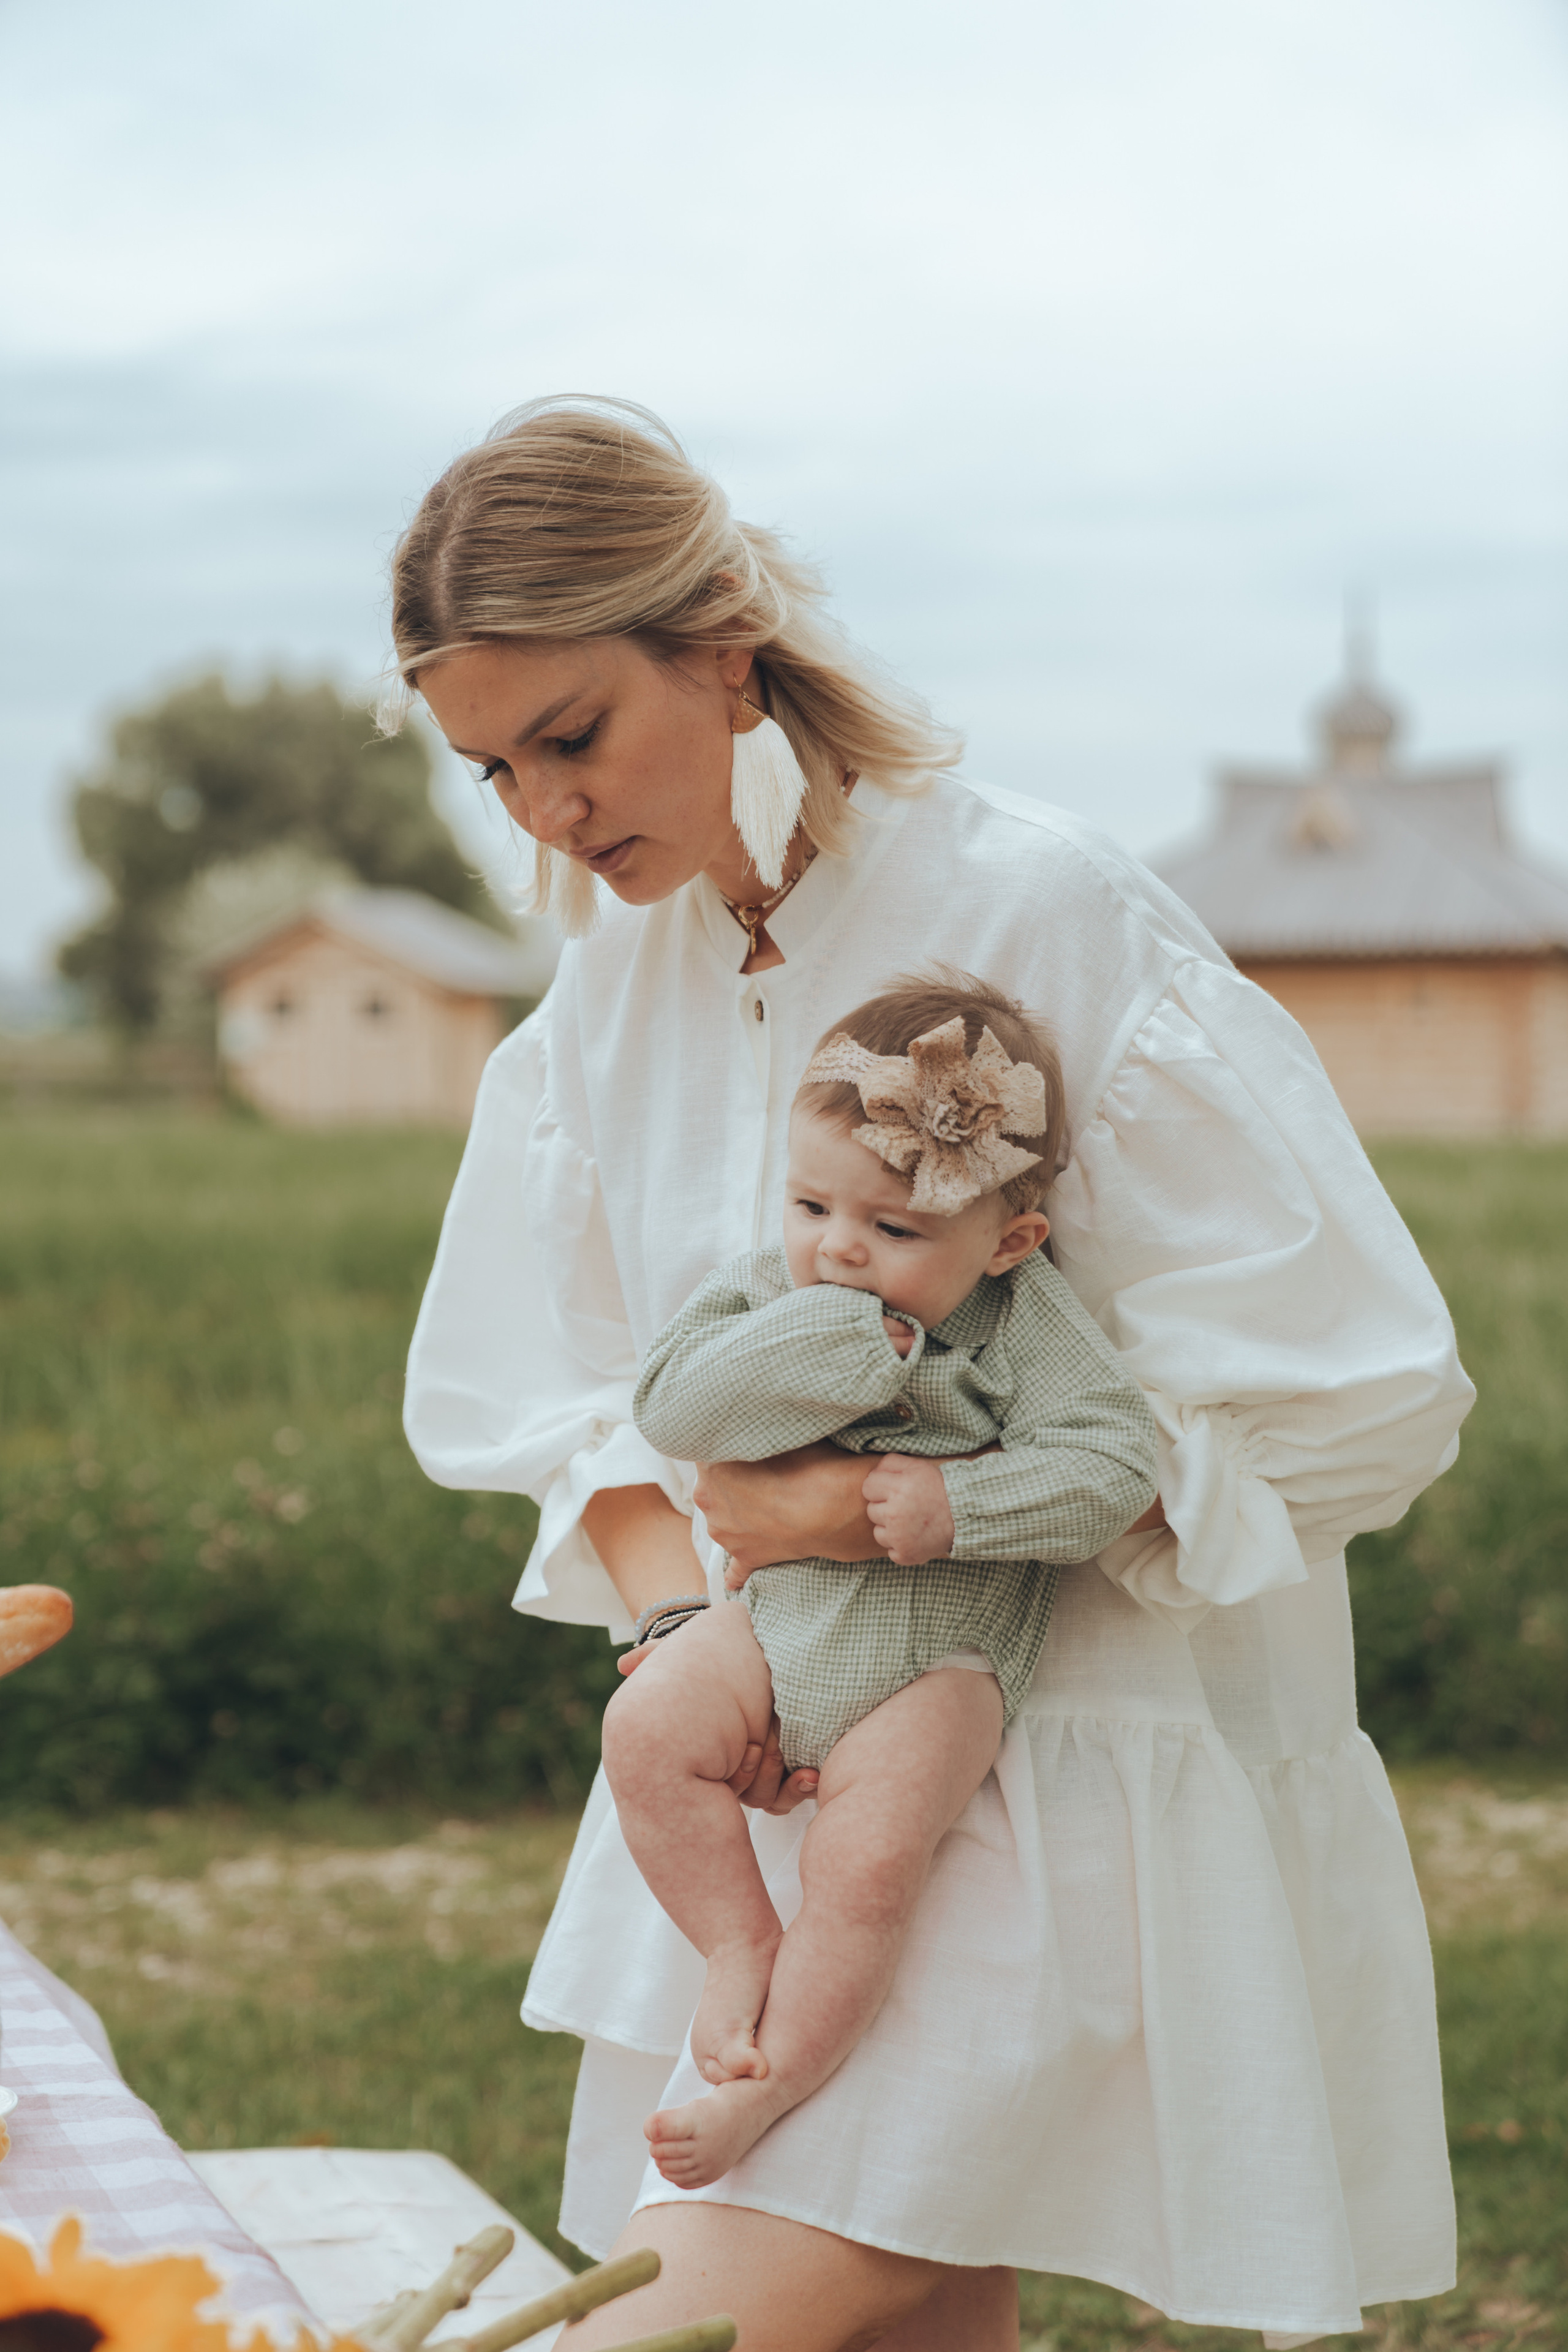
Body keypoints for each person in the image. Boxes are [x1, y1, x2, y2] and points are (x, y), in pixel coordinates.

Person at [394, 397, 1474, 2352]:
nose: (544, 810)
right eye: (495, 769)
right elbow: (565, 1398)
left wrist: (914, 1514)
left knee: (681, 2313)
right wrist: (681, 1635)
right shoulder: (603, 1002)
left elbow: (1361, 1387)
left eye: (572, 735)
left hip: (1054, 1762)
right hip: (780, 1765)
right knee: (902, 2318)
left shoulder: (1045, 910)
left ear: (722, 648)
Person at [609, 978, 1159, 2190]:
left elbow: (1116, 1464)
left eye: (894, 1230)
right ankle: (734, 1943)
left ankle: (772, 2084)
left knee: (865, 1868)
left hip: (939, 1662)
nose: (840, 1247)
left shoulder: (1021, 1324)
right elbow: (673, 1409)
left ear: (1008, 1242)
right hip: (778, 1620)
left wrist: (962, 1505)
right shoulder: (775, 1290)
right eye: (810, 1205)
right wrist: (843, 1333)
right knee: (644, 1728)